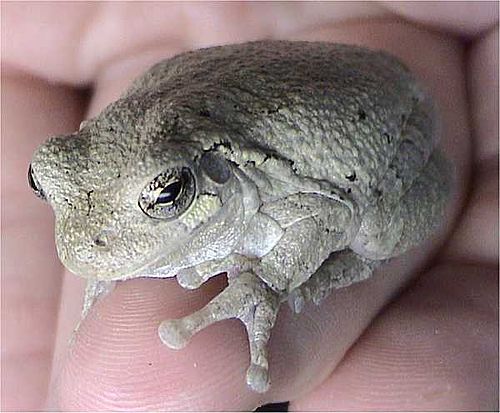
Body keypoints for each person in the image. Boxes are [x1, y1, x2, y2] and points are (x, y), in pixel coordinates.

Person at [2, 2, 498, 411]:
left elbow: (326, 213)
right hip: (297, 78)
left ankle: (342, 267)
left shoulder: (247, 179)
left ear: (207, 178)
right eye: (48, 185)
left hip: (390, 125)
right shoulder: (126, 163)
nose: (80, 236)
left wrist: (270, 278)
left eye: (165, 195)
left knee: (377, 229)